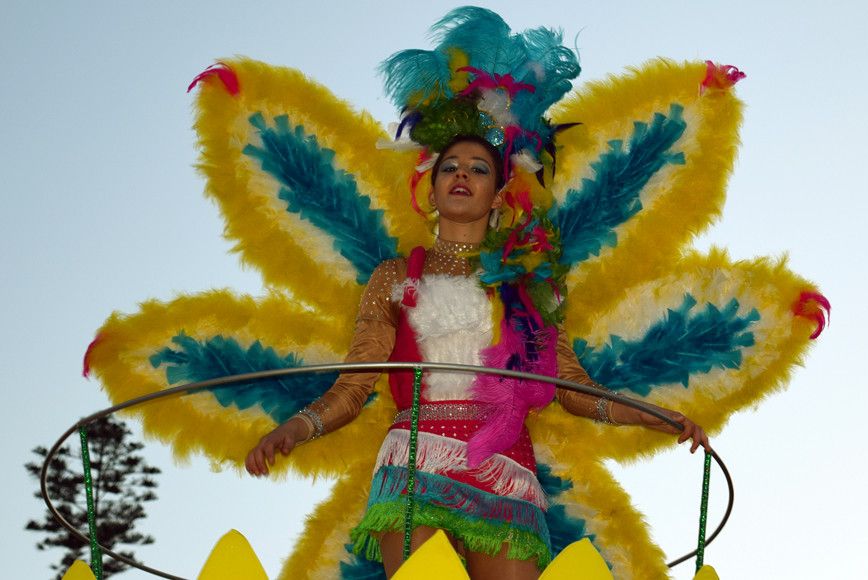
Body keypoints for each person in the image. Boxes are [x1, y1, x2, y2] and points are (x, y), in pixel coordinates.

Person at [245, 134, 710, 579]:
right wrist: (298, 426)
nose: (461, 175)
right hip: (414, 459)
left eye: (478, 168)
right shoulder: (393, 275)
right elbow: (354, 385)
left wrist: (648, 415)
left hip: (504, 465)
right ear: (431, 190)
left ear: (497, 195)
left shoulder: (530, 285)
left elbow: (571, 385)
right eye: (449, 167)